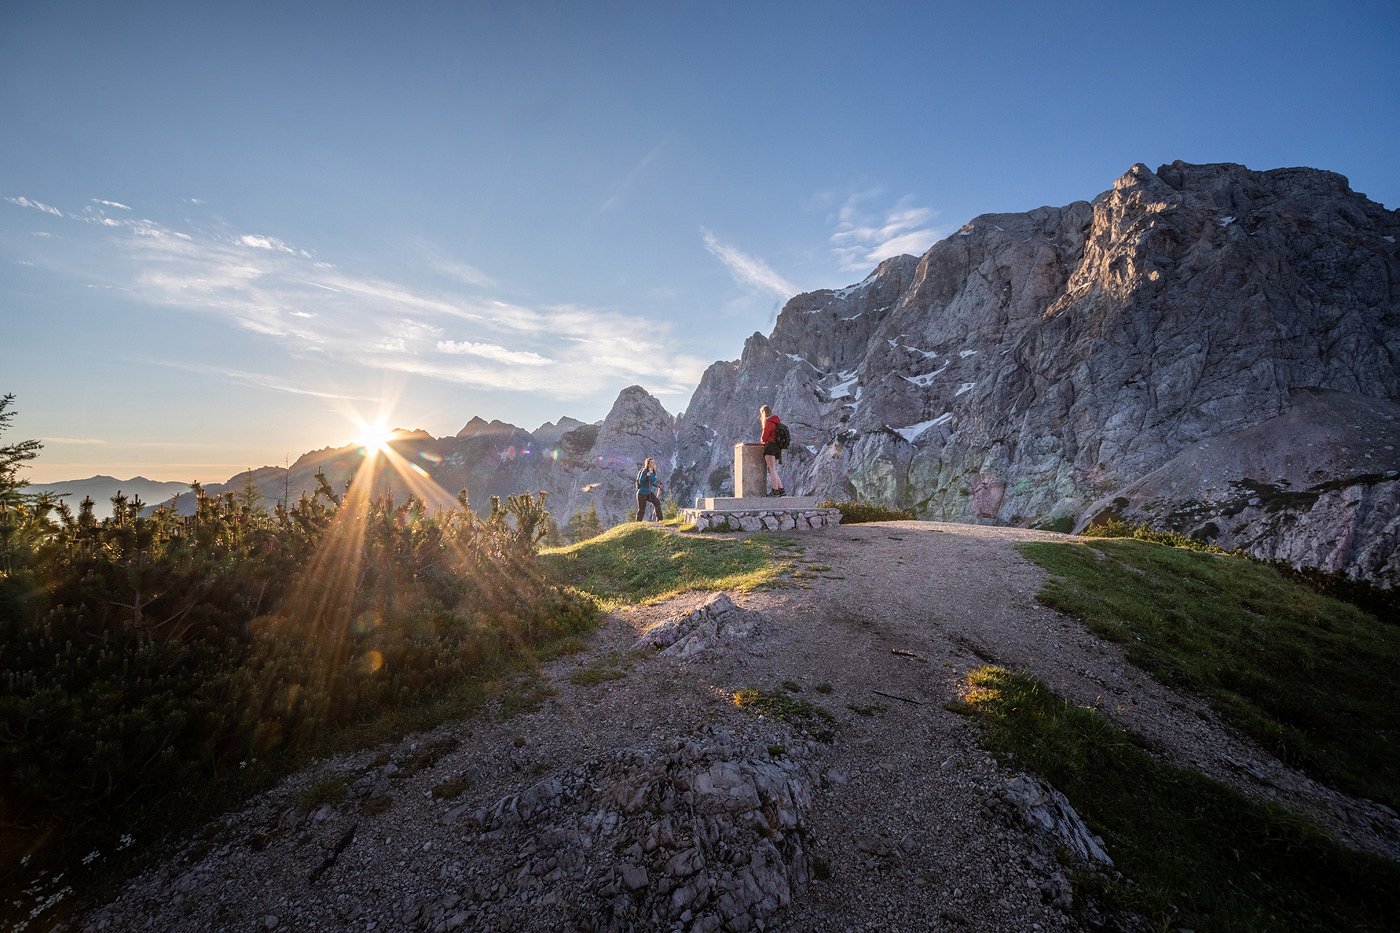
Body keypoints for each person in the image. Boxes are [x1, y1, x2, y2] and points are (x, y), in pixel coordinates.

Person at [759, 405, 785, 497]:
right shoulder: (776, 421)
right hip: (777, 448)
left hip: (770, 447)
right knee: (773, 469)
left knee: (772, 469)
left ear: (763, 413)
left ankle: (775, 490)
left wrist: (762, 441)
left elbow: (764, 437)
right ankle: (781, 489)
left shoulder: (768, 422)